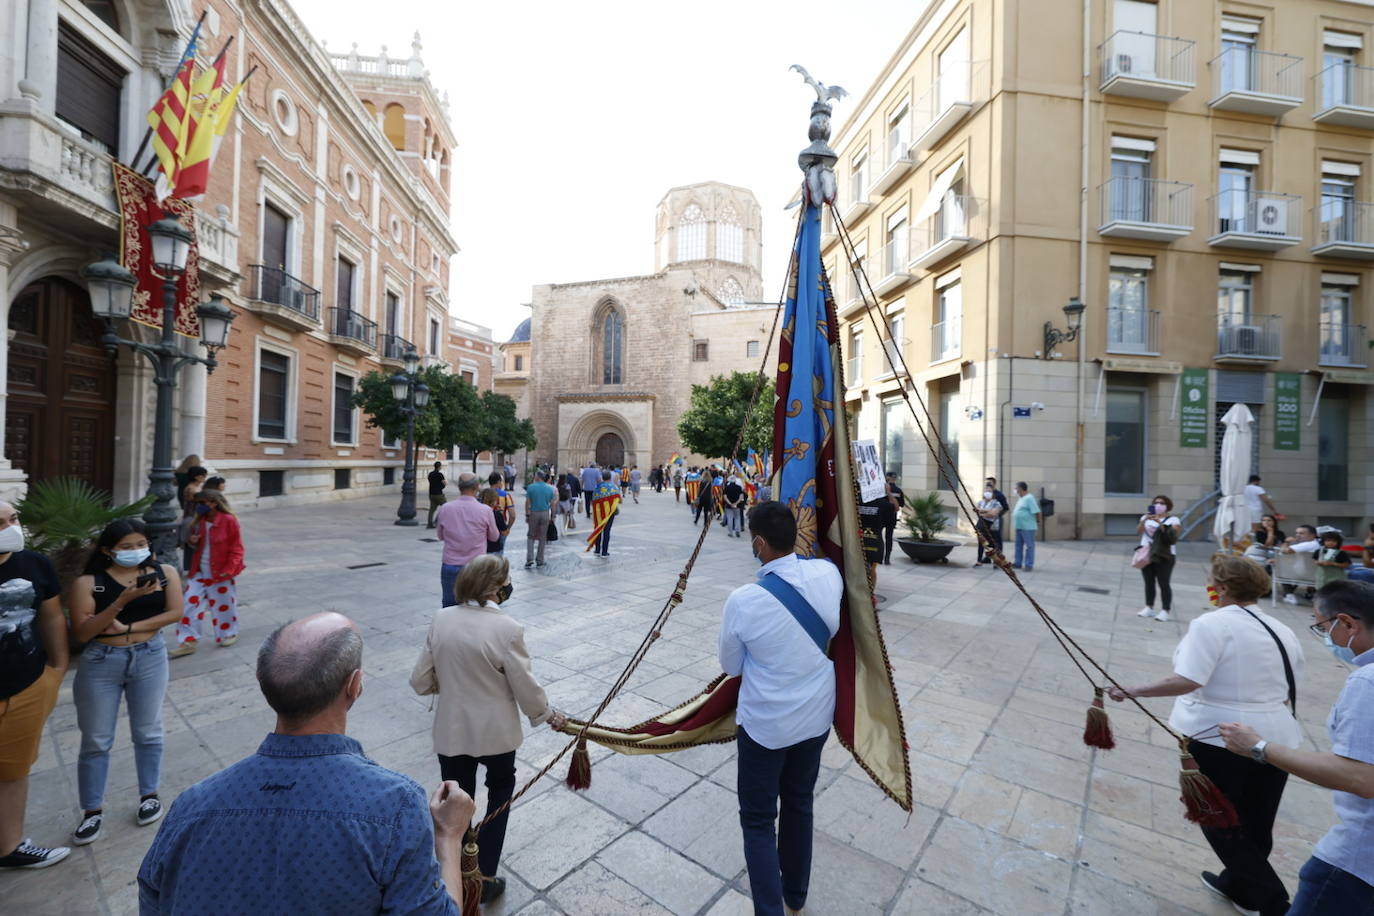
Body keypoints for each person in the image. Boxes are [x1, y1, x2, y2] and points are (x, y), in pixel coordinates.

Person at [138, 612, 476, 914]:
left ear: (261, 680)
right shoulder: (394, 806)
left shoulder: (192, 805)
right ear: (355, 686)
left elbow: (153, 896)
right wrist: (449, 836)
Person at [1109, 556, 1302, 916]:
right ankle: (1238, 888)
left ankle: (1274, 903)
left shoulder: (1210, 624)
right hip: (1275, 739)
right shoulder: (1281, 628)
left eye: (1212, 581)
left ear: (1223, 588)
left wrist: (1133, 689)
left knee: (1217, 819)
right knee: (1256, 819)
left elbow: (1189, 679)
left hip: (1220, 738)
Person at [410, 556, 566, 905]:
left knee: (457, 800)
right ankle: (485, 875)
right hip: (496, 735)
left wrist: (451, 681)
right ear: (496, 587)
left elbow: (420, 681)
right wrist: (546, 714)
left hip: (452, 732)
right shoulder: (507, 628)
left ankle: (460, 871)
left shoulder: (441, 619)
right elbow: (524, 685)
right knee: (499, 794)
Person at [1217, 580, 1374, 914]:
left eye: (1322, 626)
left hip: (1358, 866)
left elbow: (1361, 778)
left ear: (1347, 623)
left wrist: (1258, 746)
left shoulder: (1368, 683)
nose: (1326, 637)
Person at [719, 502, 842, 916]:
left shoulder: (743, 600)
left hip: (766, 726)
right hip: (816, 718)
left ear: (757, 543)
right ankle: (796, 894)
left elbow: (731, 667)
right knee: (799, 802)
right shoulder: (829, 575)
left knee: (757, 821)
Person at [66, 518, 183, 845]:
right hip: (102, 661)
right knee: (96, 739)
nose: (137, 552)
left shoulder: (164, 573)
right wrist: (122, 601)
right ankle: (92, 811)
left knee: (148, 731)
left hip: (150, 656)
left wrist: (129, 628)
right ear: (107, 550)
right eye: (127, 547)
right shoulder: (89, 583)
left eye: (141, 545)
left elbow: (175, 613)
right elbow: (85, 631)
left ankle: (149, 794)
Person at [0, 501, 71, 869]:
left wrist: (58, 668)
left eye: (13, 519)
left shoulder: (34, 564)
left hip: (26, 686)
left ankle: (9, 847)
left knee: (13, 771)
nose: (11, 528)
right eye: (0, 523)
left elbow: (52, 615)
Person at [171, 489, 245, 658]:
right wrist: (193, 541)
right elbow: (199, 546)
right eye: (197, 503)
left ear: (213, 503)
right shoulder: (200, 521)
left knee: (224, 605)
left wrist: (229, 569)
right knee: (188, 605)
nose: (198, 507)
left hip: (220, 572)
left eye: (202, 503)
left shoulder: (228, 520)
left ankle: (228, 634)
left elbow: (237, 548)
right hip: (199, 572)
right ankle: (188, 640)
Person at [434, 473, 500, 607]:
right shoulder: (485, 510)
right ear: (477, 487)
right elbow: (494, 537)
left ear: (459, 487)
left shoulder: (446, 508)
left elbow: (440, 536)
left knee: (449, 605)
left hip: (451, 564)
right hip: (477, 567)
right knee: (476, 605)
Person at [1135, 495, 1181, 623]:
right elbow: (1138, 531)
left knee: (1164, 583)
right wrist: (1144, 520)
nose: (1158, 505)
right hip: (1147, 554)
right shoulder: (1146, 517)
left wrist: (1159, 523)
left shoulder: (1173, 519)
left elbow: (1173, 537)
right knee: (1148, 581)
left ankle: (1165, 610)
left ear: (1168, 506)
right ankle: (1149, 607)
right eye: (1156, 503)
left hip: (1165, 555)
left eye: (1162, 503)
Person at [177, 465, 208, 571]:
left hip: (195, 519)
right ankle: (191, 568)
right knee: (191, 545)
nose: (204, 478)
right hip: (192, 520)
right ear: (197, 477)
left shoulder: (196, 488)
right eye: (203, 476)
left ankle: (193, 568)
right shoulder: (191, 489)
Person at [1281, 525, 1322, 604]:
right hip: (1313, 573)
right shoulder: (1316, 543)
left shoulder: (1308, 544)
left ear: (1312, 535)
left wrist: (1286, 542)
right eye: (1297, 533)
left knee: (1279, 567)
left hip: (1303, 574)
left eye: (1301, 533)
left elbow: (1285, 551)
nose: (1297, 535)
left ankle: (1289, 594)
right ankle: (1290, 593)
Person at [524, 470, 557, 569]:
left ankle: (530, 558)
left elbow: (527, 502)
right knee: (543, 537)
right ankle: (540, 560)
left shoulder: (530, 487)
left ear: (537, 477)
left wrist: (527, 514)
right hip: (545, 513)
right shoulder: (550, 489)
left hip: (534, 513)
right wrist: (553, 516)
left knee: (531, 536)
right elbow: (553, 504)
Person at [1011, 482, 1041, 571]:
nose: (1015, 490)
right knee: (1018, 545)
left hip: (1028, 527)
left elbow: (1037, 511)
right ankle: (1018, 563)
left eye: (1016, 488)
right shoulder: (1021, 498)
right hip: (1019, 526)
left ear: (1021, 489)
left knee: (1029, 546)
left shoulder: (1029, 498)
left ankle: (1028, 565)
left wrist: (1038, 521)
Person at [591, 469, 619, 558]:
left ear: (602, 477)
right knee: (607, 531)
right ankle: (604, 552)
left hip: (598, 511)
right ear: (610, 477)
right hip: (610, 512)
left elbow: (594, 499)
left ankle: (597, 550)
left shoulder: (597, 487)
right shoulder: (614, 487)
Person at [974, 486, 1003, 567]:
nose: (987, 493)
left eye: (989, 491)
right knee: (981, 543)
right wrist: (987, 512)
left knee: (992, 544)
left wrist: (982, 512)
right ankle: (979, 560)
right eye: (986, 491)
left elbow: (993, 514)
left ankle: (996, 561)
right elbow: (977, 512)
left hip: (992, 526)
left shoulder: (996, 503)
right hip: (981, 525)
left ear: (992, 493)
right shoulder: (980, 502)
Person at [487, 472, 514, 553]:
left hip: (485, 527)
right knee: (499, 551)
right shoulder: (505, 495)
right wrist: (508, 527)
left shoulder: (482, 494)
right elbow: (513, 515)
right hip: (501, 527)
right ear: (499, 482)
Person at [881, 472, 904, 565]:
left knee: (879, 535)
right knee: (889, 537)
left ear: (887, 477)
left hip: (882, 515)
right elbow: (902, 504)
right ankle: (887, 558)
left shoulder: (882, 489)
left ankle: (880, 556)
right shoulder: (898, 490)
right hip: (892, 516)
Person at [478, 488, 507, 554]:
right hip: (494, 548)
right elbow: (504, 532)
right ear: (494, 500)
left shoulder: (476, 512)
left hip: (479, 548)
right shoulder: (496, 514)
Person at [426, 461, 447, 529]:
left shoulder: (430, 474)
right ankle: (437, 521)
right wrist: (443, 485)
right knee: (446, 507)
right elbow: (444, 483)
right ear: (439, 467)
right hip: (439, 494)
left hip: (431, 494)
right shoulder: (440, 474)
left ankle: (430, 524)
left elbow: (430, 481)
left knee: (432, 510)